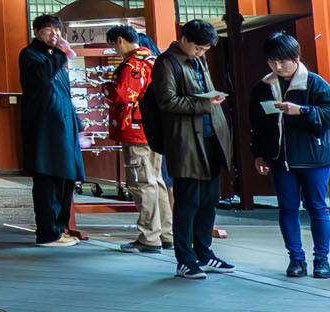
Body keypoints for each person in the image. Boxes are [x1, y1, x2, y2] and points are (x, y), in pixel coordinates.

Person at [153, 18, 235, 279]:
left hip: (211, 138)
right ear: (184, 39)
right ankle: (185, 260)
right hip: (187, 141)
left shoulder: (198, 60)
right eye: (198, 48)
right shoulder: (167, 62)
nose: (201, 53)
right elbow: (167, 101)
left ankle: (204, 253)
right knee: (188, 202)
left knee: (209, 201)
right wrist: (205, 104)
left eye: (205, 50)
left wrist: (211, 101)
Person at [251, 31, 330, 278]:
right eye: (271, 61)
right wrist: (259, 154)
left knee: (317, 207)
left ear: (295, 58)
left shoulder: (315, 83)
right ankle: (296, 259)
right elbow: (257, 124)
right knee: (287, 208)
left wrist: (302, 111)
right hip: (280, 159)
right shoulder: (263, 87)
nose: (277, 67)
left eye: (282, 61)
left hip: (314, 158)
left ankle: (322, 260)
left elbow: (327, 114)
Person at [19, 13, 84, 247]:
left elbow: (65, 94)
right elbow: (41, 79)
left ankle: (59, 228)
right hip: (45, 131)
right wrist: (60, 53)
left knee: (65, 180)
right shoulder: (29, 55)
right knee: (47, 180)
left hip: (64, 129)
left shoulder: (54, 57)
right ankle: (47, 233)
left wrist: (78, 124)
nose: (55, 34)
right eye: (49, 30)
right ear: (37, 32)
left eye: (57, 30)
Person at [105, 24, 171, 254]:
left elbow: (122, 95)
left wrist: (107, 89)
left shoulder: (132, 64)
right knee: (156, 181)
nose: (115, 50)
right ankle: (166, 233)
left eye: (113, 45)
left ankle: (149, 236)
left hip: (135, 130)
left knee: (142, 183)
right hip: (154, 129)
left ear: (120, 40)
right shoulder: (153, 60)